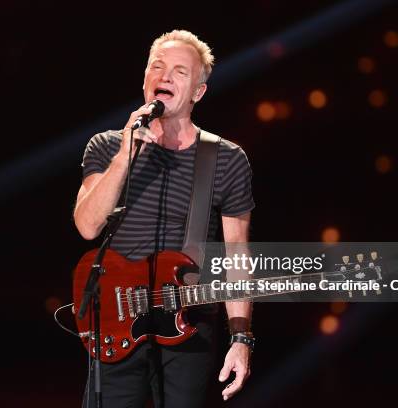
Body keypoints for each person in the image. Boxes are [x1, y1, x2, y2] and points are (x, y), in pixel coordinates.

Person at [74, 30, 255, 407]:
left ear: (198, 93)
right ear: (144, 80)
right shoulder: (106, 146)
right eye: (157, 67)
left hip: (188, 328)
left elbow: (237, 258)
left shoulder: (226, 159)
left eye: (179, 71)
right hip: (115, 323)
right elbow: (88, 225)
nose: (165, 77)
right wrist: (125, 156)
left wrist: (241, 338)